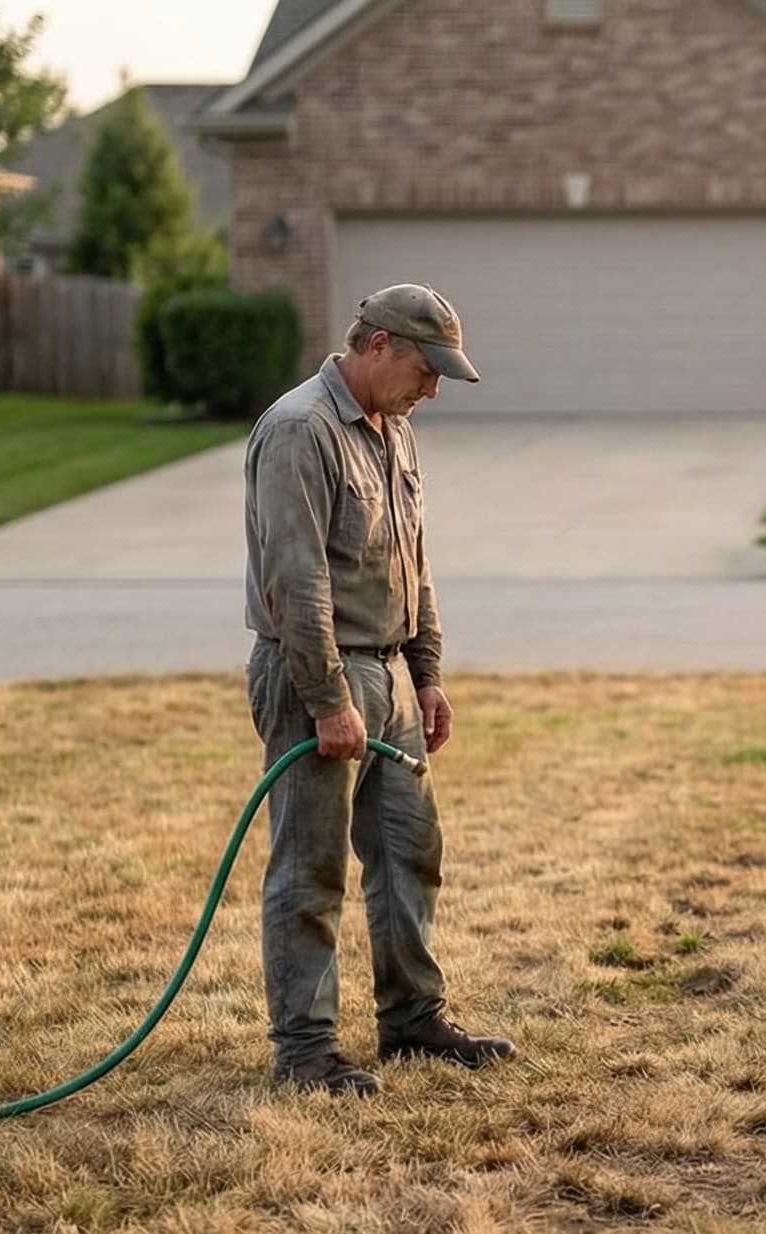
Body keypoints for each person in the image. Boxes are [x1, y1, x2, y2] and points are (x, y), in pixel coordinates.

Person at [240, 284, 514, 1095]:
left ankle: (412, 1021)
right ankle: (305, 1051)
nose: (433, 389)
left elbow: (414, 563)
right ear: (379, 346)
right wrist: (326, 700)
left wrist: (425, 674)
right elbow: (297, 581)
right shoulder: (301, 430)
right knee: (310, 866)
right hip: (313, 670)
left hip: (388, 670)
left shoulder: (393, 430)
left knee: (409, 852)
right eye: (427, 370)